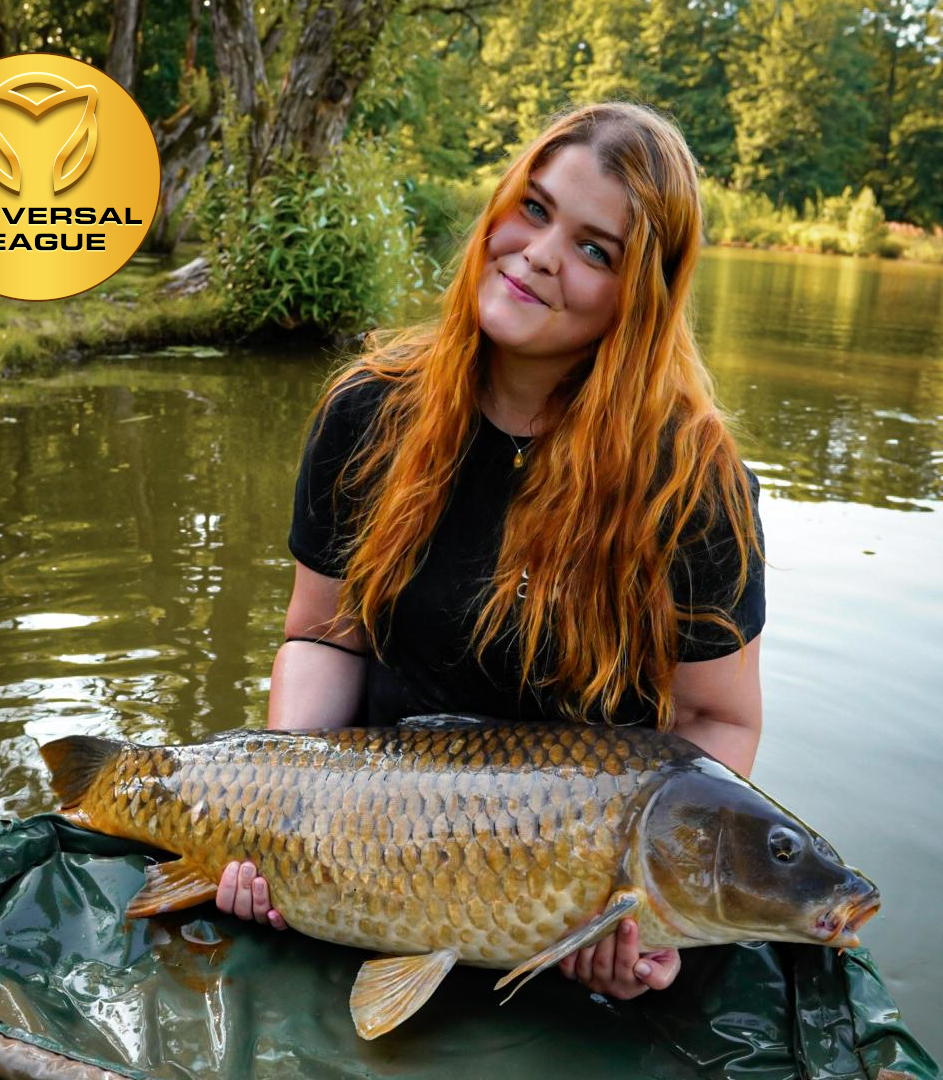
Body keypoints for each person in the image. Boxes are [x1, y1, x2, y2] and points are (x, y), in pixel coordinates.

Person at [214, 101, 765, 1003]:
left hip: (573, 873)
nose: (540, 254)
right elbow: (324, 635)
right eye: (534, 209)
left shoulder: (695, 483)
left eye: (596, 251)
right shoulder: (367, 408)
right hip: (366, 842)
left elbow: (716, 720)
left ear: (640, 298)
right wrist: (280, 808)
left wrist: (652, 908)